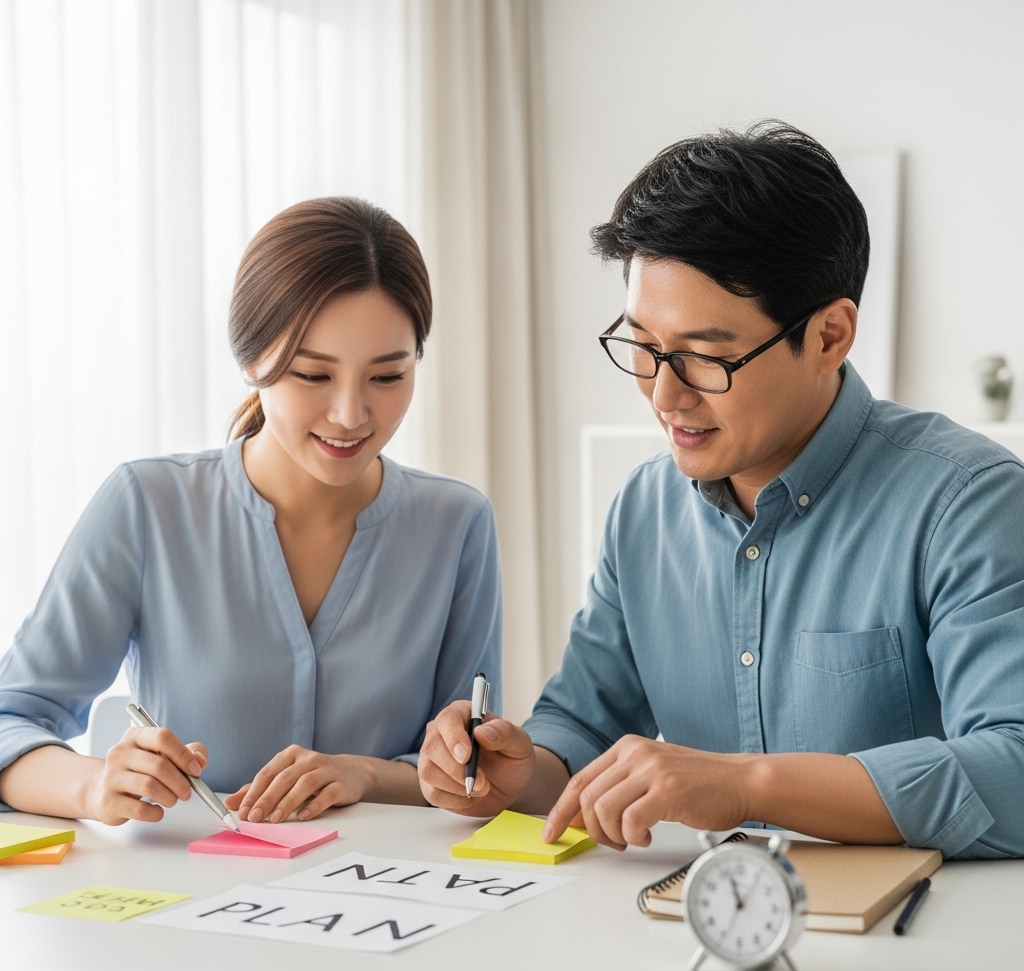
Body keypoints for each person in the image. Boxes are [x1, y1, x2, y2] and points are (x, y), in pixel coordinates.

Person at [418, 122, 1024, 860]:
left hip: (914, 944)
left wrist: (749, 785)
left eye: (706, 357)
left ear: (830, 336)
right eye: (643, 347)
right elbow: (577, 729)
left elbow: (1014, 769)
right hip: (695, 931)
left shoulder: (969, 502)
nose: (664, 396)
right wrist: (515, 772)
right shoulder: (645, 509)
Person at [0, 197, 501, 827]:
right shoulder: (146, 506)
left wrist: (365, 774)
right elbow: (11, 720)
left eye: (387, 377)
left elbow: (470, 774)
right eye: (313, 376)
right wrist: (95, 785)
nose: (351, 414)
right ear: (251, 361)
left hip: (392, 905)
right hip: (191, 899)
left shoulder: (457, 526)